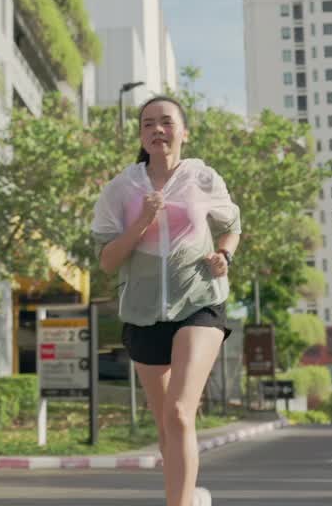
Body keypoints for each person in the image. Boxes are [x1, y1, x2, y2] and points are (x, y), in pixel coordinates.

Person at [92, 95, 241, 506]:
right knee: (167, 425)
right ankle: (190, 497)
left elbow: (233, 226)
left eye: (166, 122)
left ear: (183, 131)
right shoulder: (120, 189)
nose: (157, 129)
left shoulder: (203, 178)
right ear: (141, 134)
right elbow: (107, 261)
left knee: (178, 413)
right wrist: (141, 219)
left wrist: (224, 255)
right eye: (148, 123)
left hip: (199, 302)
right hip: (143, 313)